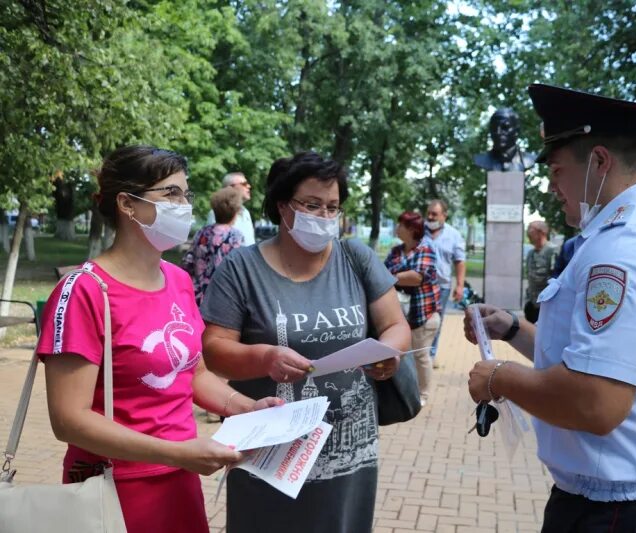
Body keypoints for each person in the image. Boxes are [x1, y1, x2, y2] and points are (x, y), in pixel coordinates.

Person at [464, 84, 636, 532]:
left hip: (617, 512)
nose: (551, 186)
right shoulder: (633, 230)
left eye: (557, 171)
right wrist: (514, 328)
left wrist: (498, 378)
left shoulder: (624, 248)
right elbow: (592, 358)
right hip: (634, 497)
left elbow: (596, 401)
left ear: (599, 161)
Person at [35, 145, 283, 533]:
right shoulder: (85, 290)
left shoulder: (179, 280)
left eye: (186, 194)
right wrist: (178, 453)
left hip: (180, 483)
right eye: (171, 194)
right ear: (127, 204)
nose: (183, 205)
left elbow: (194, 373)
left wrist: (247, 408)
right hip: (111, 492)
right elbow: (69, 419)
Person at [200, 151, 411, 533]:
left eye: (333, 207)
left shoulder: (355, 258)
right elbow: (214, 352)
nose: (325, 217)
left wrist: (388, 353)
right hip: (270, 455)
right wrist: (265, 357)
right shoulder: (241, 269)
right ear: (283, 206)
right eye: (312, 205)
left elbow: (395, 324)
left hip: (349, 457)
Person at [384, 211, 441, 406]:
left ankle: (423, 394)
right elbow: (383, 272)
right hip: (401, 316)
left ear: (410, 229)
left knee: (420, 356)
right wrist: (397, 275)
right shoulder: (396, 251)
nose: (396, 228)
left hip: (423, 315)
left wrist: (391, 276)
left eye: (400, 225)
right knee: (405, 356)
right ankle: (409, 391)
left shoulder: (426, 249)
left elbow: (416, 277)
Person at [182, 187, 246, 304]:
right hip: (222, 298)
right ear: (235, 213)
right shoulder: (236, 237)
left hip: (196, 296)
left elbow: (188, 262)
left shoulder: (202, 233)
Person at [425, 199, 466, 368]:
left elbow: (460, 261)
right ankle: (419, 353)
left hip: (441, 287)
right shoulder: (419, 231)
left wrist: (460, 285)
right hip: (420, 285)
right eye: (428, 213)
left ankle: (430, 354)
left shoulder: (453, 235)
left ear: (444, 215)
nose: (430, 217)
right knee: (418, 321)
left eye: (434, 214)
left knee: (436, 322)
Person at [473, 108, 537, 172]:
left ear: (516, 131)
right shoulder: (479, 160)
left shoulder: (529, 160)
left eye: (505, 127)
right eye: (494, 127)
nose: (498, 132)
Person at [523, 220, 559, 323]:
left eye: (531, 229)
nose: (528, 232)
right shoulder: (530, 253)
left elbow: (555, 279)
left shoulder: (553, 251)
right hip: (532, 304)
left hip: (547, 305)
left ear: (542, 232)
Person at [207, 171, 256, 245]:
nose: (249, 186)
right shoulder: (217, 212)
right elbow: (213, 245)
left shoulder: (246, 212)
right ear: (230, 188)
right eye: (244, 184)